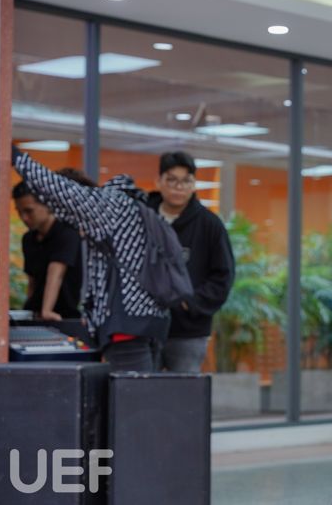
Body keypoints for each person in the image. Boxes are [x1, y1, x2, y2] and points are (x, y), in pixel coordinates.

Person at [12, 145, 170, 372]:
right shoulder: (124, 208)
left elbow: (50, 184)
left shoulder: (103, 209)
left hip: (127, 328)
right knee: (137, 389)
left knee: (132, 391)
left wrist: (15, 156)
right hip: (143, 323)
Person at [146, 151, 234, 372]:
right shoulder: (143, 217)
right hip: (144, 326)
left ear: (194, 184)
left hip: (188, 331)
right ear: (158, 181)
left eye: (186, 181)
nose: (179, 187)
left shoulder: (209, 224)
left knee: (185, 390)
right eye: (172, 180)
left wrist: (190, 302)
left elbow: (223, 275)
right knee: (141, 390)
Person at [12, 181, 83, 320]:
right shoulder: (28, 239)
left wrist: (47, 311)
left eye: (29, 211)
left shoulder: (67, 233)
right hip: (35, 313)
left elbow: (56, 273)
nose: (24, 218)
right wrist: (29, 312)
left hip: (63, 316)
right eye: (19, 212)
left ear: (48, 205)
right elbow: (32, 281)